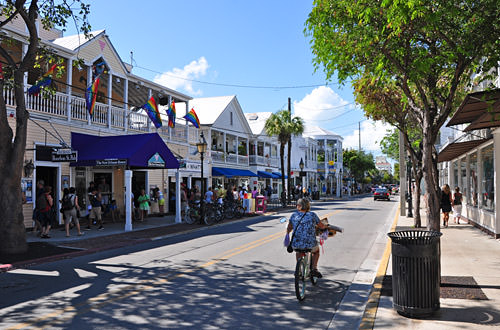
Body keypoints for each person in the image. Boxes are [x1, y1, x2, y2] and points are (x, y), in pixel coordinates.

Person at [286, 198, 327, 278]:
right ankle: (314, 269)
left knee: (298, 251)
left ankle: (299, 270)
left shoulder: (294, 215)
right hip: (310, 244)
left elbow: (289, 228)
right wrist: (325, 227)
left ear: (298, 206)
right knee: (316, 251)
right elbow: (321, 226)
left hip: (296, 244)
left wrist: (287, 233)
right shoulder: (312, 215)